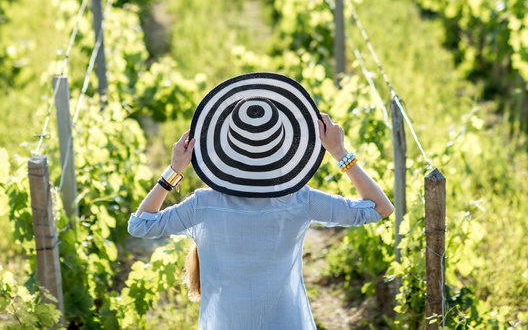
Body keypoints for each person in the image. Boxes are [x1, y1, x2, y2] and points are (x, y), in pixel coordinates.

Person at [127, 72, 394, 330]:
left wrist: (173, 171)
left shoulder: (203, 205)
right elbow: (381, 208)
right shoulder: (300, 200)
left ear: (222, 148)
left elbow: (140, 226)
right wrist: (339, 153)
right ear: (284, 150)